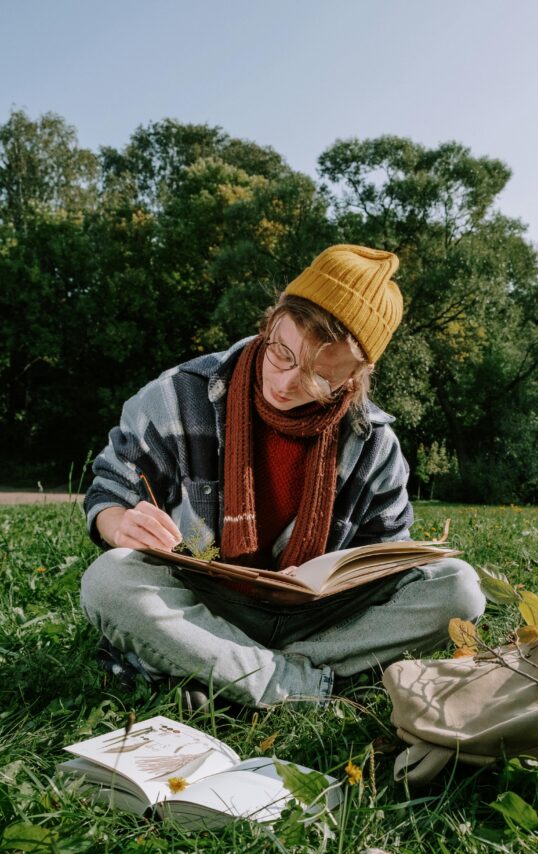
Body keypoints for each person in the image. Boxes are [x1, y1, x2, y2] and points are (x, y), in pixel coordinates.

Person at [80, 244, 485, 707]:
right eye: (282, 354)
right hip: (205, 605)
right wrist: (117, 521)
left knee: (459, 590)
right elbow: (111, 484)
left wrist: (334, 578)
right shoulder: (179, 393)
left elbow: (389, 558)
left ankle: (222, 671)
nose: (287, 383)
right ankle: (300, 682)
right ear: (272, 320)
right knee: (109, 580)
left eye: (319, 375)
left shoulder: (374, 445)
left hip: (318, 618)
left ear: (357, 375)